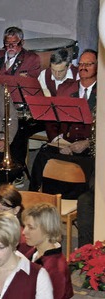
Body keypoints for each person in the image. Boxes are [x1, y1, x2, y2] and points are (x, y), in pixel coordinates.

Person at [29, 49, 97, 197]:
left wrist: (88, 143)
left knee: (89, 169)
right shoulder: (66, 87)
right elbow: (51, 118)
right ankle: (38, 201)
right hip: (65, 143)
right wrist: (58, 141)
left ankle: (79, 208)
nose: (83, 67)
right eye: (81, 64)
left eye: (89, 64)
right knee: (43, 156)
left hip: (91, 148)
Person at [22, 203, 73, 299]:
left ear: (47, 230)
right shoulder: (34, 252)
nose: (24, 232)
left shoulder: (56, 269)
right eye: (25, 226)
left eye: (31, 228)